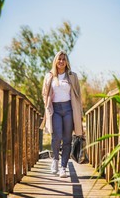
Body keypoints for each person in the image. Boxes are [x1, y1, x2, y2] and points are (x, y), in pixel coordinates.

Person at [41, 50, 83, 178]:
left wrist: (79, 112)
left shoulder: (72, 76)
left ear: (67, 61)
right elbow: (44, 93)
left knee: (67, 139)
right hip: (55, 110)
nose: (61, 61)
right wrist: (48, 106)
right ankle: (55, 160)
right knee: (56, 136)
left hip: (69, 109)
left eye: (64, 59)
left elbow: (78, 94)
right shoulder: (49, 76)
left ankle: (63, 168)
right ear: (55, 61)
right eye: (59, 59)